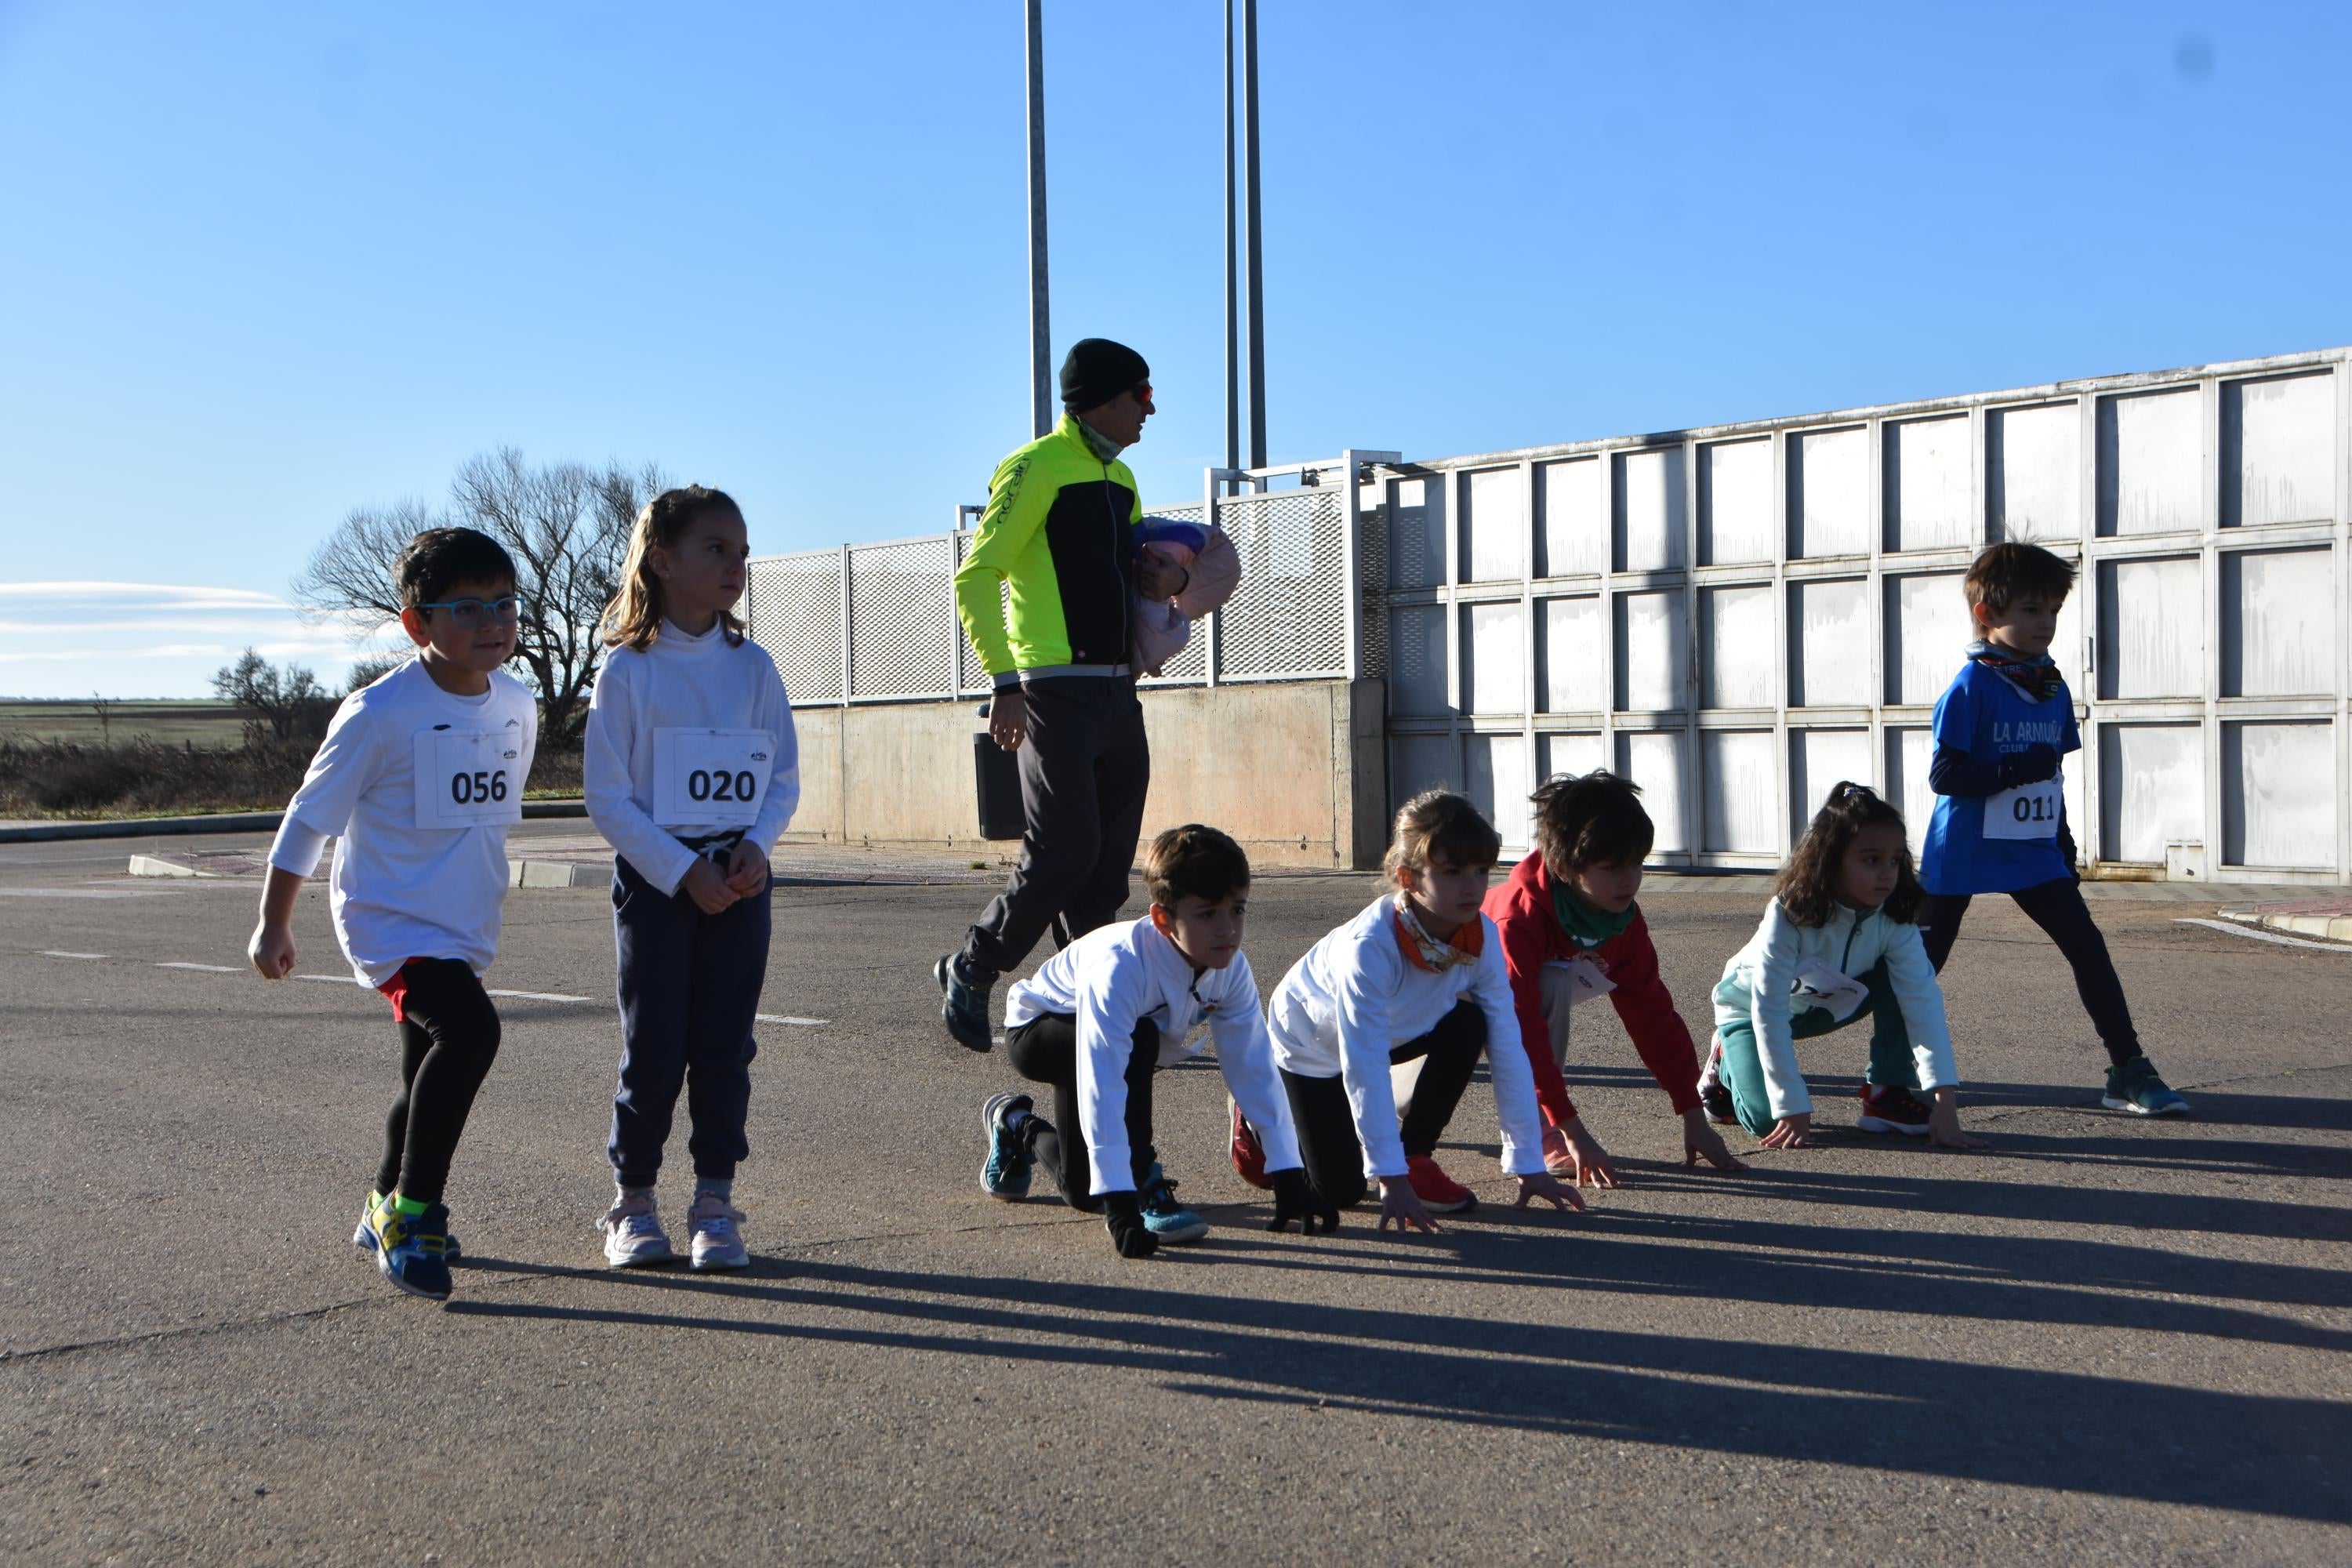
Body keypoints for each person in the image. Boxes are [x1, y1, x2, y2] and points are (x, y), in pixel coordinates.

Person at [246, 527, 538, 1301]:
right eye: (468, 607)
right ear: (417, 623)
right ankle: (414, 1215)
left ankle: (380, 1203)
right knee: (472, 1031)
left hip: (464, 920)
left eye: (505, 602)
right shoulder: (380, 712)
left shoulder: (516, 702)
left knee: (423, 1075)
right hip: (391, 919)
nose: (493, 621)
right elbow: (310, 819)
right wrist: (274, 922)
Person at [935, 338, 1190, 1053]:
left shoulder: (1124, 477)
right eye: (1141, 395)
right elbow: (976, 576)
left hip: (1119, 692)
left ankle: (1095, 999)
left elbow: (1148, 570)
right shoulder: (1035, 467)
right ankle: (974, 963)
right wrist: (1005, 682)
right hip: (1052, 689)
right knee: (1064, 850)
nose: (1151, 409)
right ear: (1104, 399)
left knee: (1107, 867)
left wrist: (1170, 584)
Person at [583, 485, 800, 1272]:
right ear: (663, 560)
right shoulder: (628, 671)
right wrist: (680, 871)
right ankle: (633, 1200)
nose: (735, 564)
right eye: (717, 548)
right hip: (658, 884)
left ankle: (715, 1200)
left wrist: (756, 846)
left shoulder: (754, 667)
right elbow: (607, 796)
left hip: (740, 884)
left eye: (742, 550)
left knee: (723, 1047)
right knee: (654, 1045)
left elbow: (781, 776)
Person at [1916, 543, 2188, 1115]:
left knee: (2089, 950)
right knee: (1916, 969)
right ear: (1989, 615)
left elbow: (2052, 781)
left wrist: (2063, 845)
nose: (2045, 624)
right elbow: (1945, 776)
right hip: (1962, 851)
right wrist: (2013, 767)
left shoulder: (2051, 687)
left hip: (2032, 853)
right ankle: (1879, 1072)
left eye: (2052, 612)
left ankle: (2129, 1069)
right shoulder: (1971, 687)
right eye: (2031, 610)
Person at [977, 824, 1334, 1258]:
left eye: (1237, 910)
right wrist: (1124, 1208)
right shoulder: (1121, 968)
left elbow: (1253, 1065)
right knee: (1140, 1038)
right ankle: (1145, 1180)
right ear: (1163, 918)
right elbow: (1103, 1079)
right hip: (1039, 1032)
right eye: (1207, 914)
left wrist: (1287, 1169)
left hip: (1117, 1047)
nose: (1228, 930)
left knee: (1084, 1193)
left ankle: (1016, 1126)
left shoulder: (1230, 967)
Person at [1254, 790, 1585, 1232]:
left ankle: (1415, 1156)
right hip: (1311, 1046)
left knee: (1471, 1023)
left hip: (1397, 1031)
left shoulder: (1480, 935)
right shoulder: (1370, 949)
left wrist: (1528, 1161)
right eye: (1451, 872)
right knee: (1340, 1193)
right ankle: (1260, 1110)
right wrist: (1386, 1178)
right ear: (1407, 878)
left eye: (1480, 870)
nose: (1472, 886)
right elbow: (1363, 1063)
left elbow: (1509, 1045)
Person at [1482, 771, 1749, 1187]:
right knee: (1405, 1108)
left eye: (1636, 864)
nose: (1629, 880)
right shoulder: (1517, 918)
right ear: (1563, 865)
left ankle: (1537, 1133)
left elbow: (1653, 1016)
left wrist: (1693, 1115)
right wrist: (1575, 1129)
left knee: (1551, 982)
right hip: (1436, 997)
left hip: (1512, 1001)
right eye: (1612, 867)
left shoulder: (1621, 919)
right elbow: (1522, 1031)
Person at [1701, 783, 1987, 1150]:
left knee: (1904, 977)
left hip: (1829, 1003)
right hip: (1751, 1013)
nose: (1887, 873)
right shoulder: (1790, 913)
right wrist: (1792, 1103)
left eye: (1895, 860)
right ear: (1831, 860)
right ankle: (1724, 1060)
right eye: (1871, 859)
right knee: (1766, 1122)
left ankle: (1885, 1094)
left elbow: (1922, 1003)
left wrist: (1944, 1104)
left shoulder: (1895, 916)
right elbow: (1769, 1010)